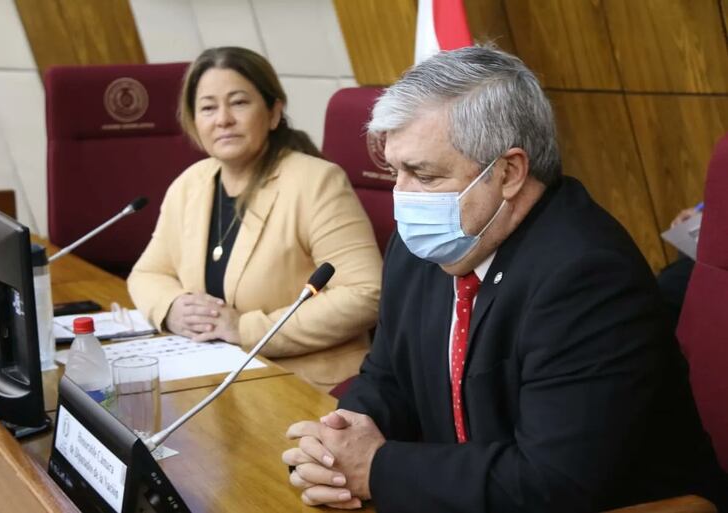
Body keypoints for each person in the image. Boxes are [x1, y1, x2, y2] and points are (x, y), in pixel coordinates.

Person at [282, 46, 728, 512]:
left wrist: (375, 468)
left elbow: (550, 483)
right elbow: (389, 376)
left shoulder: (586, 276)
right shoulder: (422, 246)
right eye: (395, 172)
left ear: (510, 172)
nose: (402, 199)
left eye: (423, 175)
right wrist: (338, 443)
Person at [127, 47, 382, 390]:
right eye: (207, 107)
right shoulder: (191, 184)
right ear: (193, 122)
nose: (223, 119)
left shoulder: (315, 182)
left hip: (301, 382)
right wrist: (171, 307)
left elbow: (367, 292)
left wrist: (244, 329)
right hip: (214, 377)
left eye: (239, 103)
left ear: (274, 112)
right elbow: (147, 273)